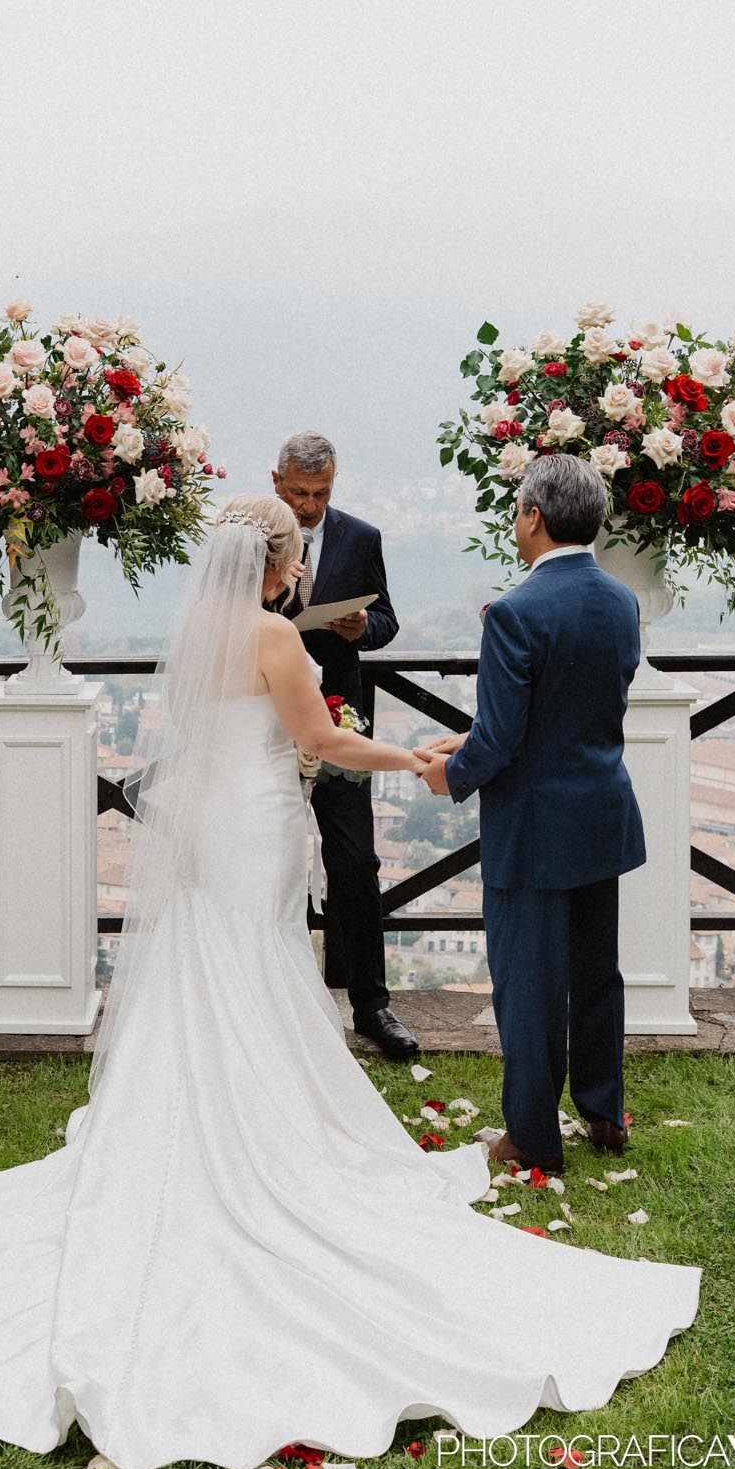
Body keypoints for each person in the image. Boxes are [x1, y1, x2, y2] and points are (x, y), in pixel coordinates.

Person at [0, 493, 699, 1469]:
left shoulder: (200, 632)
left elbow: (209, 734)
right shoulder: (277, 639)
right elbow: (324, 744)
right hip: (255, 828)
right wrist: (414, 756)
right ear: (282, 564)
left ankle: (202, 1110)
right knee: (258, 961)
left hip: (215, 824)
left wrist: (385, 749)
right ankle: (262, 1130)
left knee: (214, 966)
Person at [415, 457, 645, 1172]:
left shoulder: (515, 611)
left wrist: (449, 771)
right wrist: (478, 740)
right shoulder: (620, 601)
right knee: (595, 971)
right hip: (599, 811)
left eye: (516, 509)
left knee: (529, 985)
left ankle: (530, 1138)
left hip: (534, 828)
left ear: (533, 516)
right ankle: (603, 1113)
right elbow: (575, 708)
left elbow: (505, 735)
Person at [271, 431, 418, 1061]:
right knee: (266, 862)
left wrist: (362, 627)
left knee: (356, 863)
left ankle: (371, 1005)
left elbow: (387, 620)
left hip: (338, 716)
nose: (308, 507)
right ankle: (273, 1001)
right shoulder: (252, 532)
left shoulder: (362, 538)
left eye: (321, 494)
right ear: (276, 482)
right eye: (299, 493)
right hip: (265, 716)